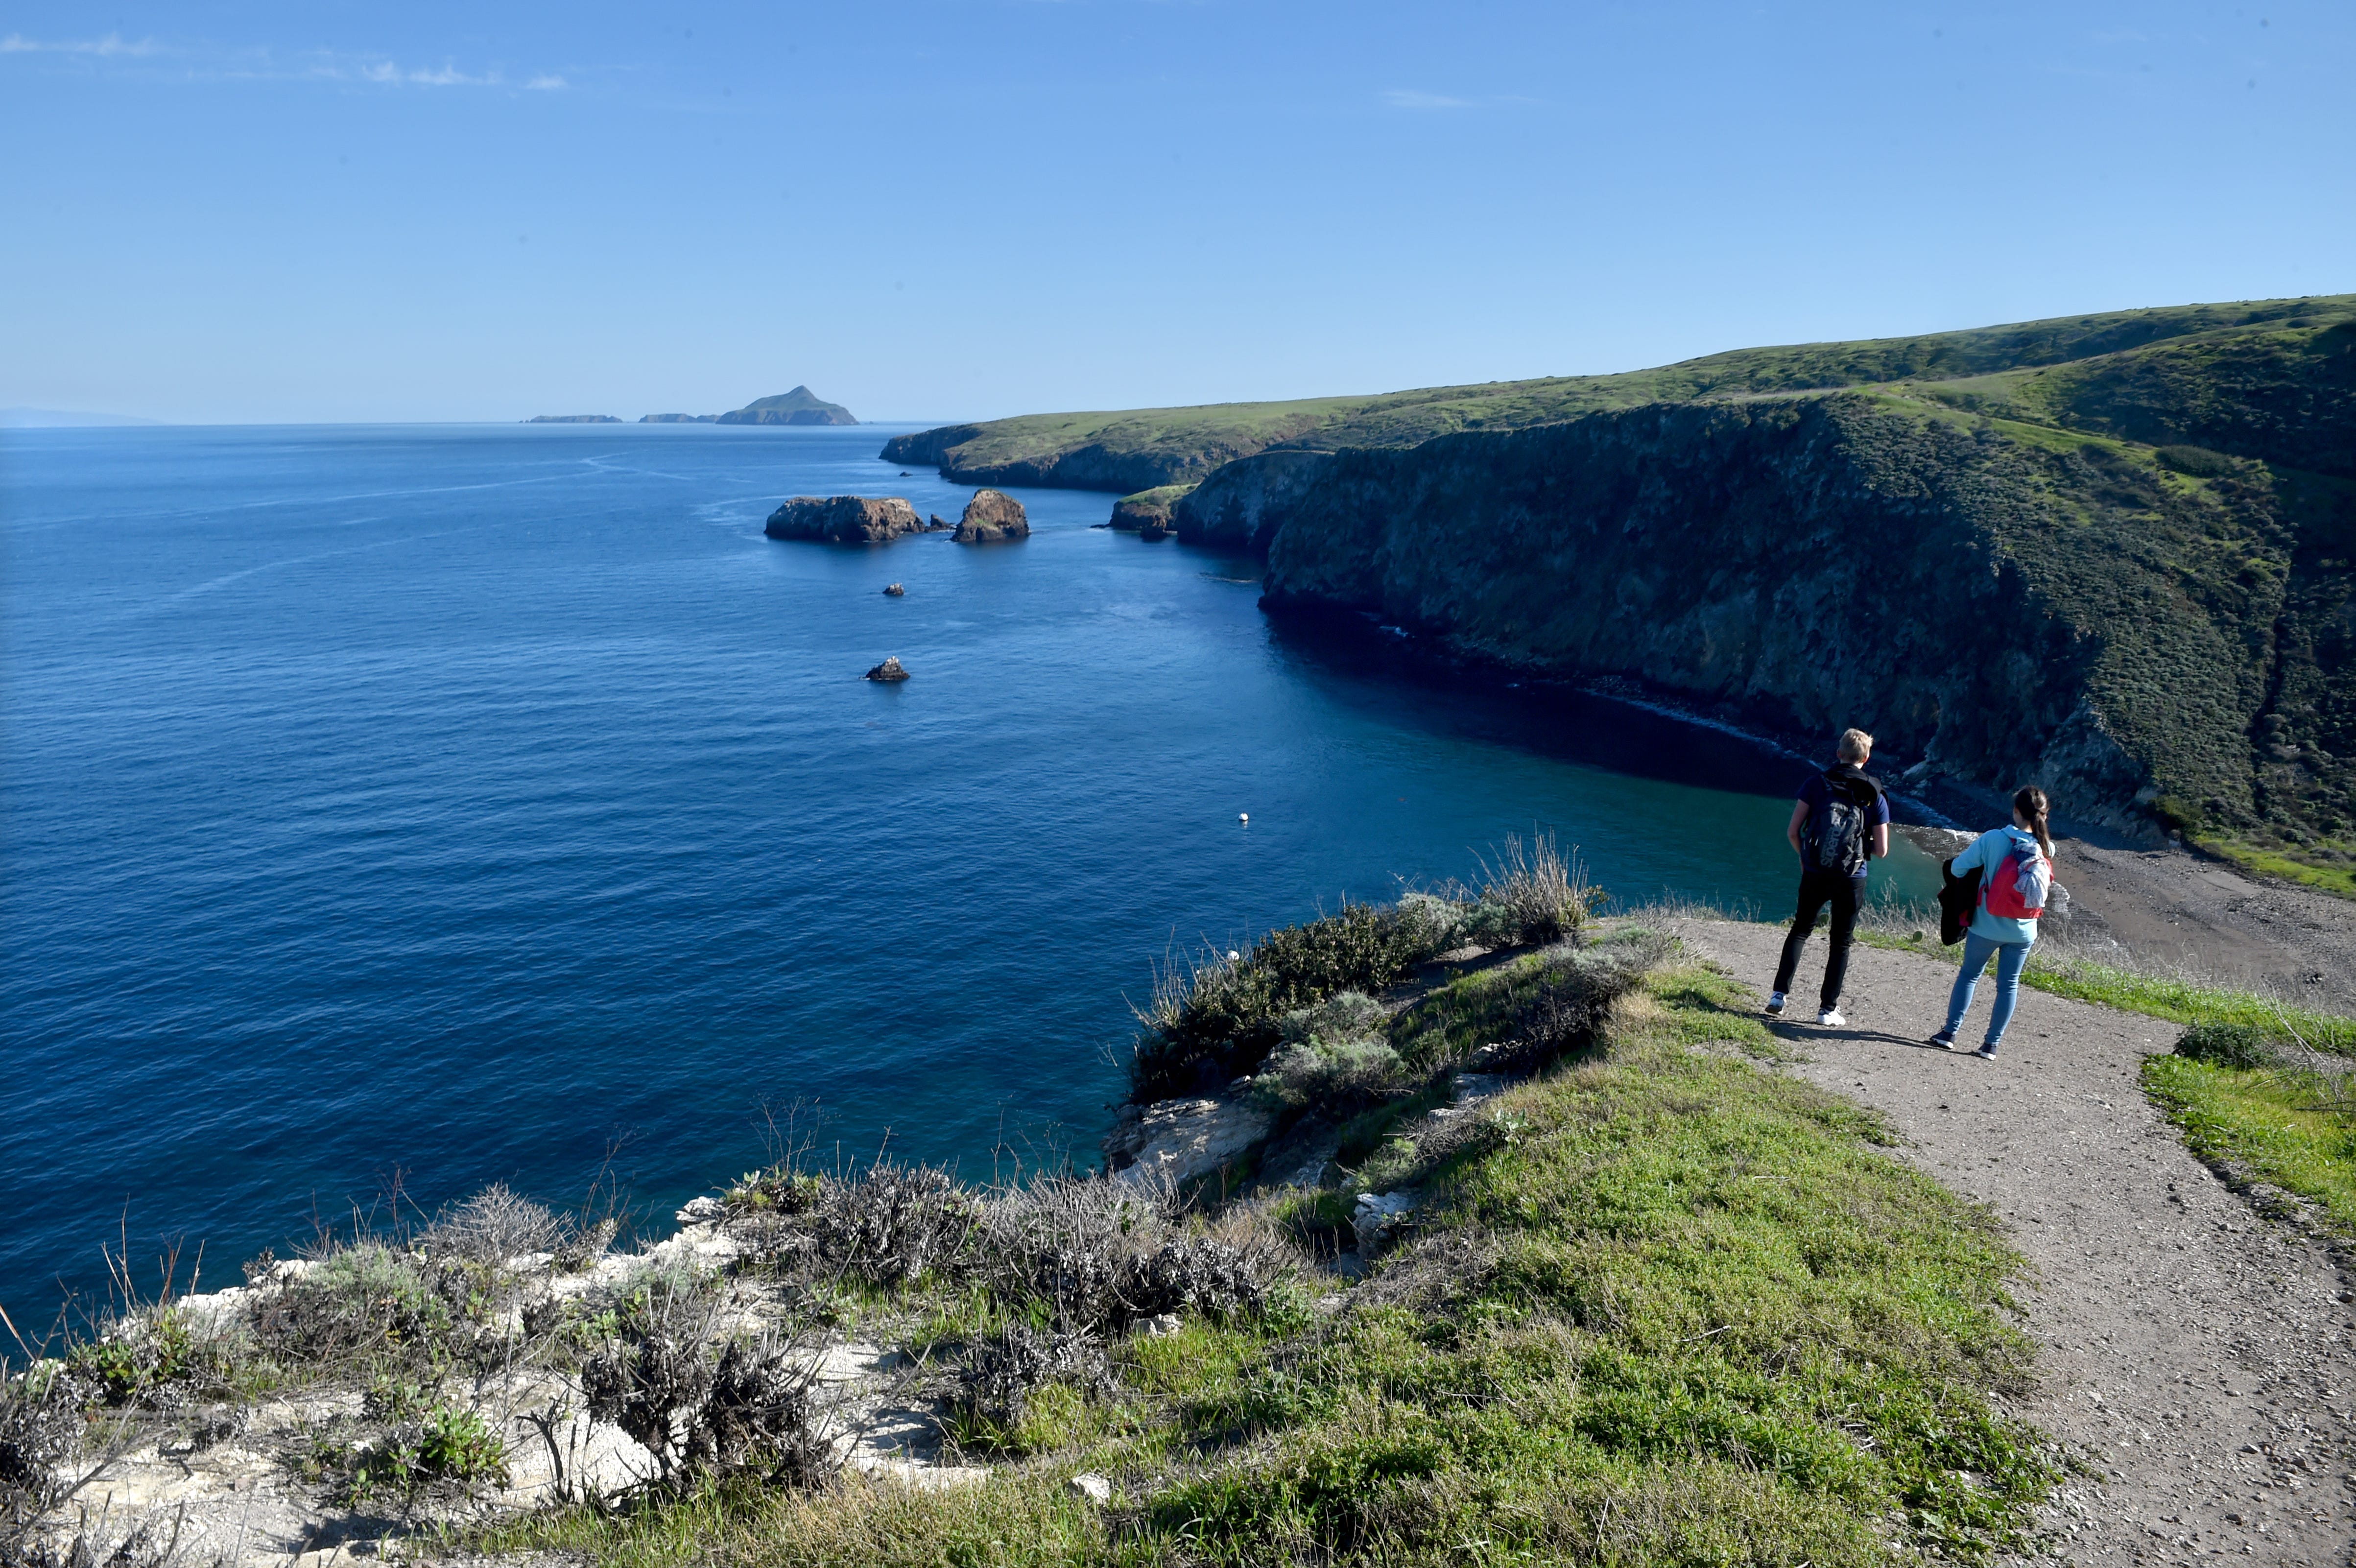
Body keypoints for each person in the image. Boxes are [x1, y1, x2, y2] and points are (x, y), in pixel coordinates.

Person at [1767, 728, 1890, 1026]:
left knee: (1800, 930)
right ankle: (1827, 1010)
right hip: (1852, 875)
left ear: (1838, 754)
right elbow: (1883, 849)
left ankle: (1778, 996)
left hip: (1816, 871)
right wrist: (1858, 849)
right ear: (1867, 757)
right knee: (1841, 942)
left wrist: (1807, 858)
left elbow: (1793, 832)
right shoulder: (1874, 793)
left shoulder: (1816, 784)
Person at [1930, 786, 2055, 1058]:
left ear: (2016, 811)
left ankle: (1949, 1033)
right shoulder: (2047, 848)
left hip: (1986, 925)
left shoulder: (1993, 840)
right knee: (2009, 985)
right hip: (2024, 930)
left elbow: (1957, 868)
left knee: (1969, 975)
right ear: (2044, 815)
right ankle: (1991, 1045)